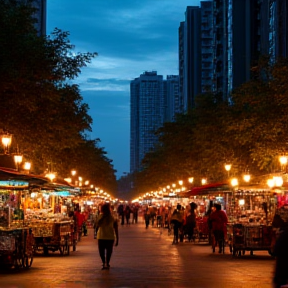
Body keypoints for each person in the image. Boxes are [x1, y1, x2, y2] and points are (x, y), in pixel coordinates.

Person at [95, 203, 119, 270]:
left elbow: (97, 225)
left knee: (101, 252)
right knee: (109, 252)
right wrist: (117, 239)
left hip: (102, 236)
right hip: (110, 237)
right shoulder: (111, 217)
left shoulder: (107, 217)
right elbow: (116, 228)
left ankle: (104, 263)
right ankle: (106, 263)